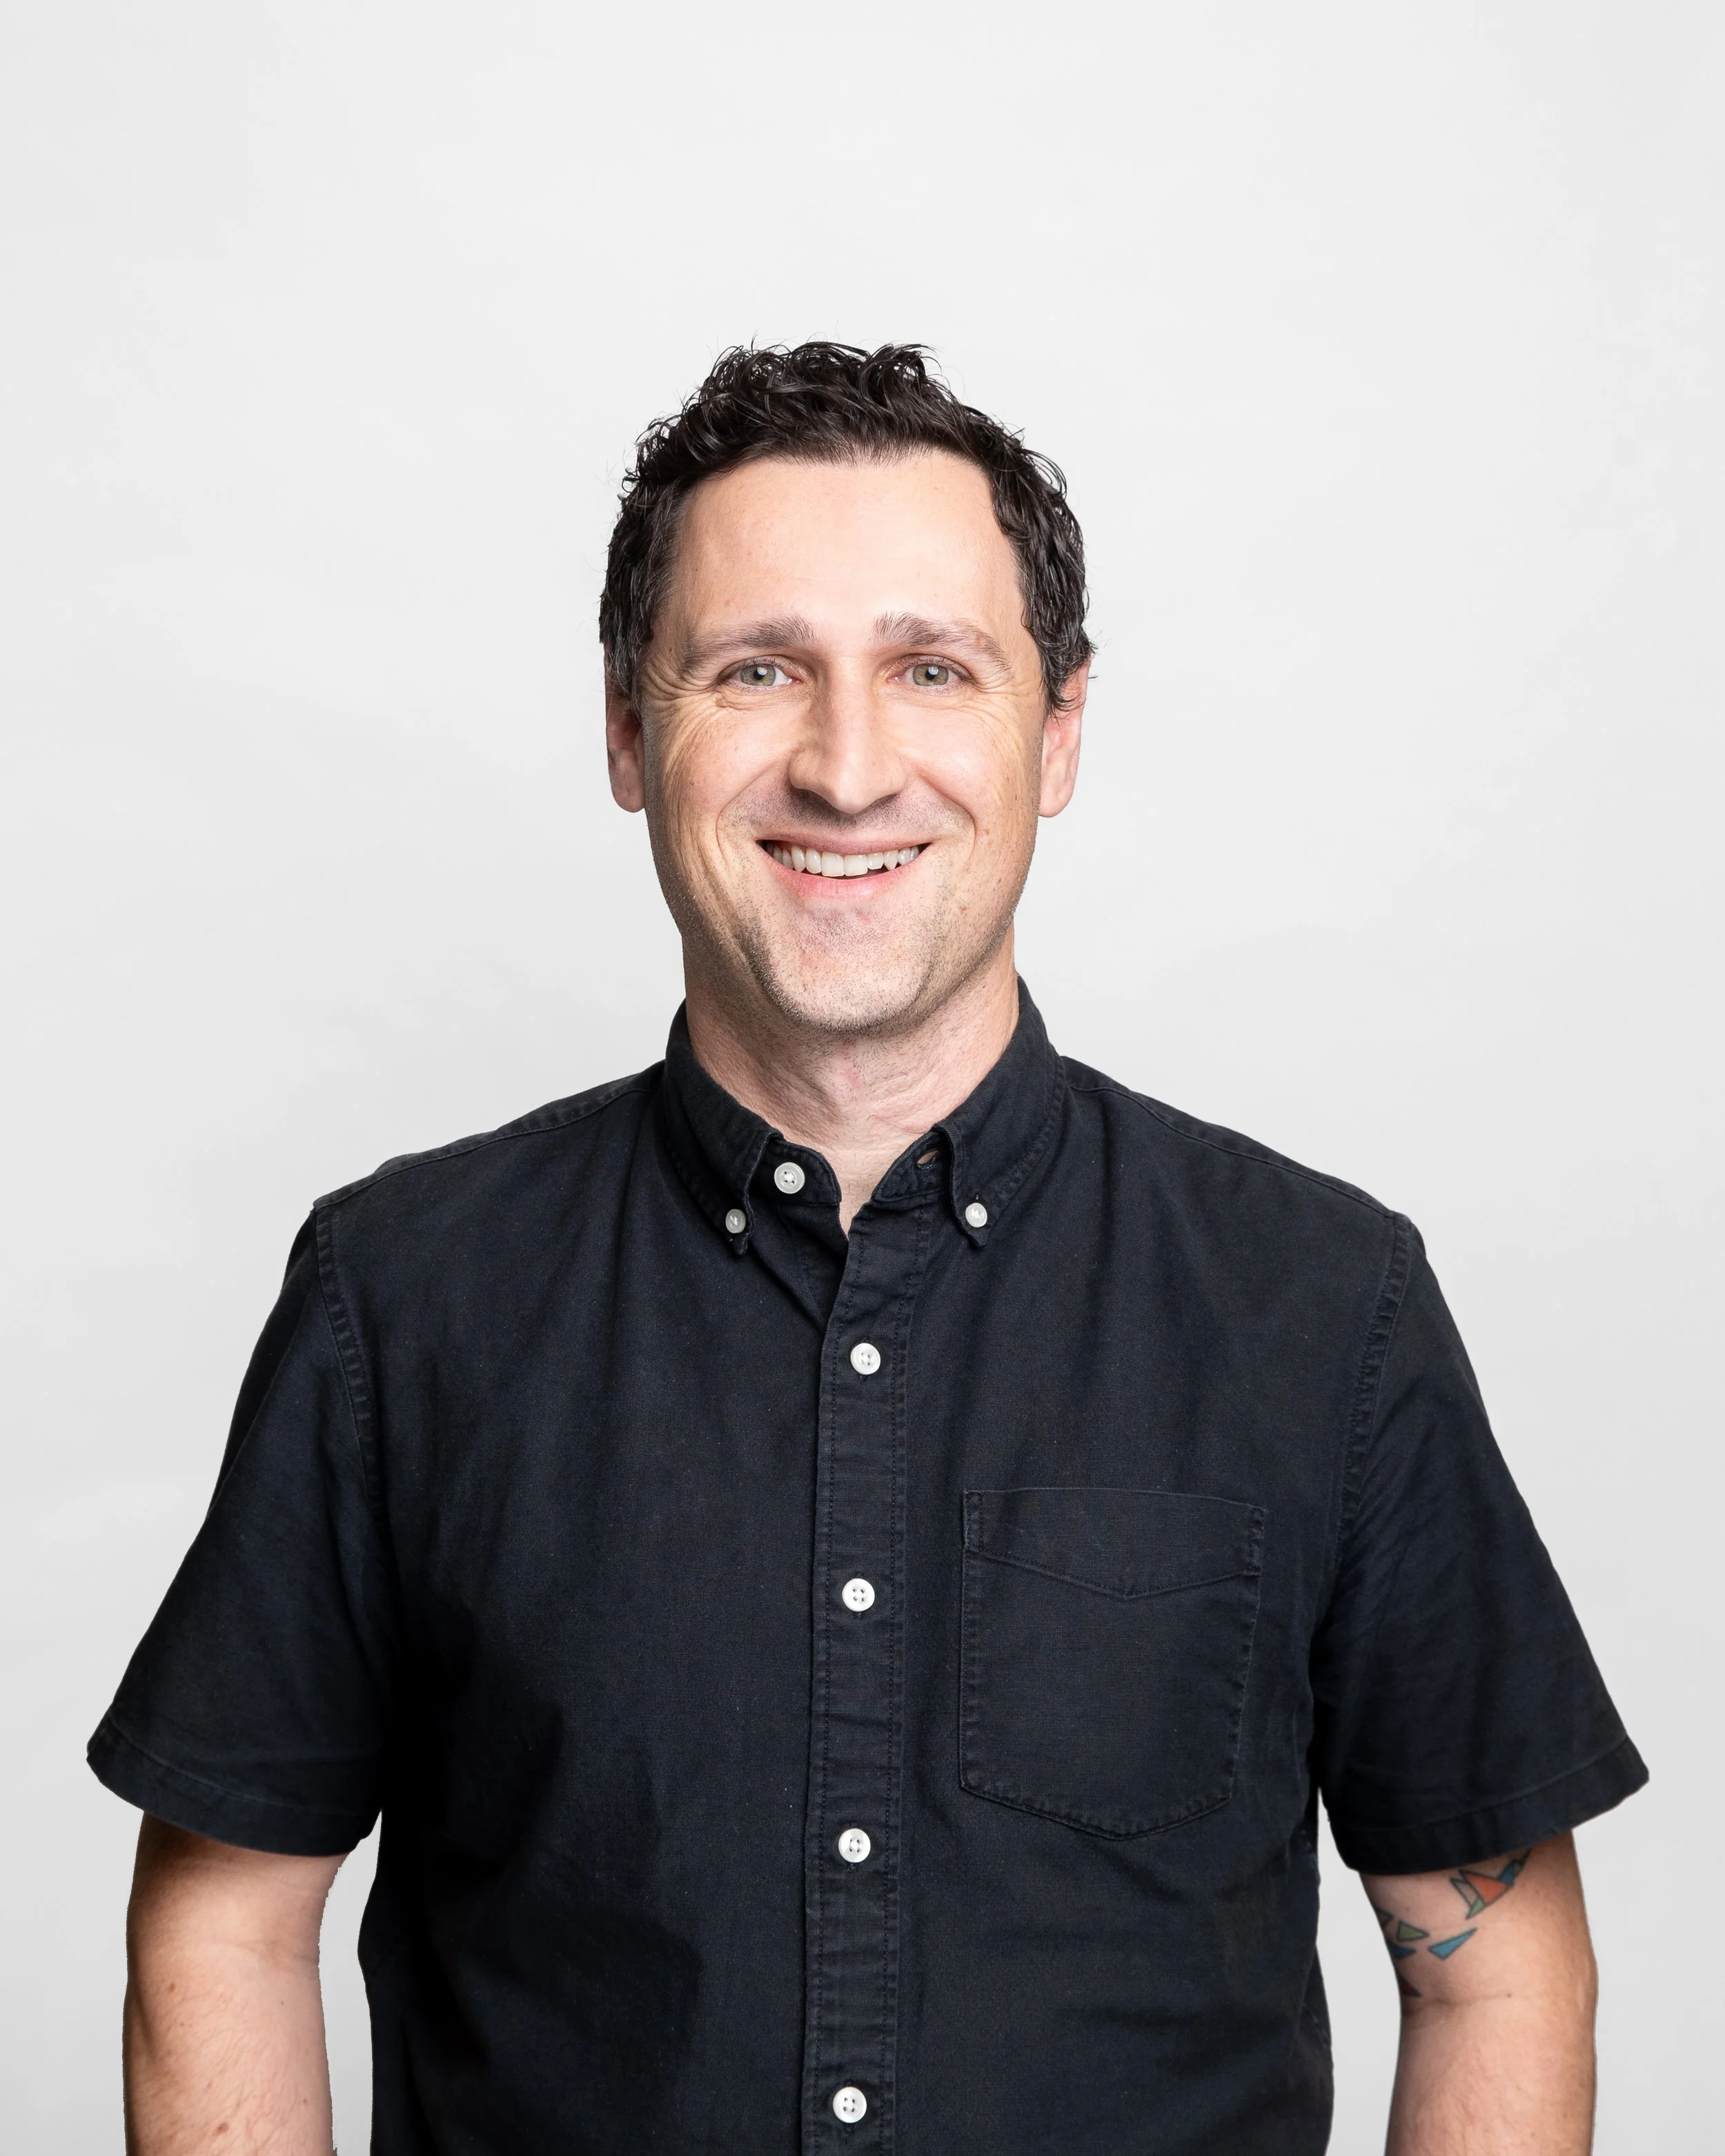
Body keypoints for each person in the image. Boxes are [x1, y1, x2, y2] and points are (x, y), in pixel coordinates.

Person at [94, 343, 1646, 2156]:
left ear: (1054, 732)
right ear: (625, 726)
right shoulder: (405, 1296)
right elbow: (225, 1914)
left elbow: (1491, 1960)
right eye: (757, 670)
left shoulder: (1322, 1304)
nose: (845, 767)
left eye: (931, 669)